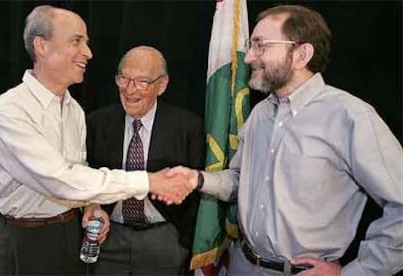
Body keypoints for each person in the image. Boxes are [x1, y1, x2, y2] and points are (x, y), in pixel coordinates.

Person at [170, 4, 403, 276]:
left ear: (302, 54)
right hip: (240, 266)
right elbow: (240, 182)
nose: (249, 58)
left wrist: (357, 272)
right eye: (251, 45)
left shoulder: (350, 117)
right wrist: (196, 179)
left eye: (261, 46)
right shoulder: (260, 114)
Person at [0, 6, 190, 275]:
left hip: (71, 236)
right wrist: (150, 181)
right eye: (76, 41)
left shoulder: (73, 110)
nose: (88, 53)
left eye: (87, 42)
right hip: (25, 241)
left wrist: (92, 206)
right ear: (41, 46)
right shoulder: (10, 110)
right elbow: (59, 179)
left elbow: (79, 171)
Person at [86, 45, 205, 275]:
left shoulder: (187, 127)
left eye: (142, 82)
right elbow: (86, 175)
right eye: (124, 79)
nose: (130, 90)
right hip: (109, 238)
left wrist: (182, 241)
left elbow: (196, 194)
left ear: (162, 85)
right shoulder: (96, 123)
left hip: (163, 239)